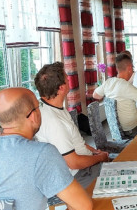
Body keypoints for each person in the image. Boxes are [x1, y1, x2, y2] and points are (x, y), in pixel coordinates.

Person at [34, 62, 109, 190]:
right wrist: (100, 158)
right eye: (67, 78)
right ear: (61, 88)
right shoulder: (54, 122)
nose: (69, 80)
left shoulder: (51, 107)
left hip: (83, 166)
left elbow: (74, 141)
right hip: (78, 175)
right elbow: (74, 163)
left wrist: (95, 152)